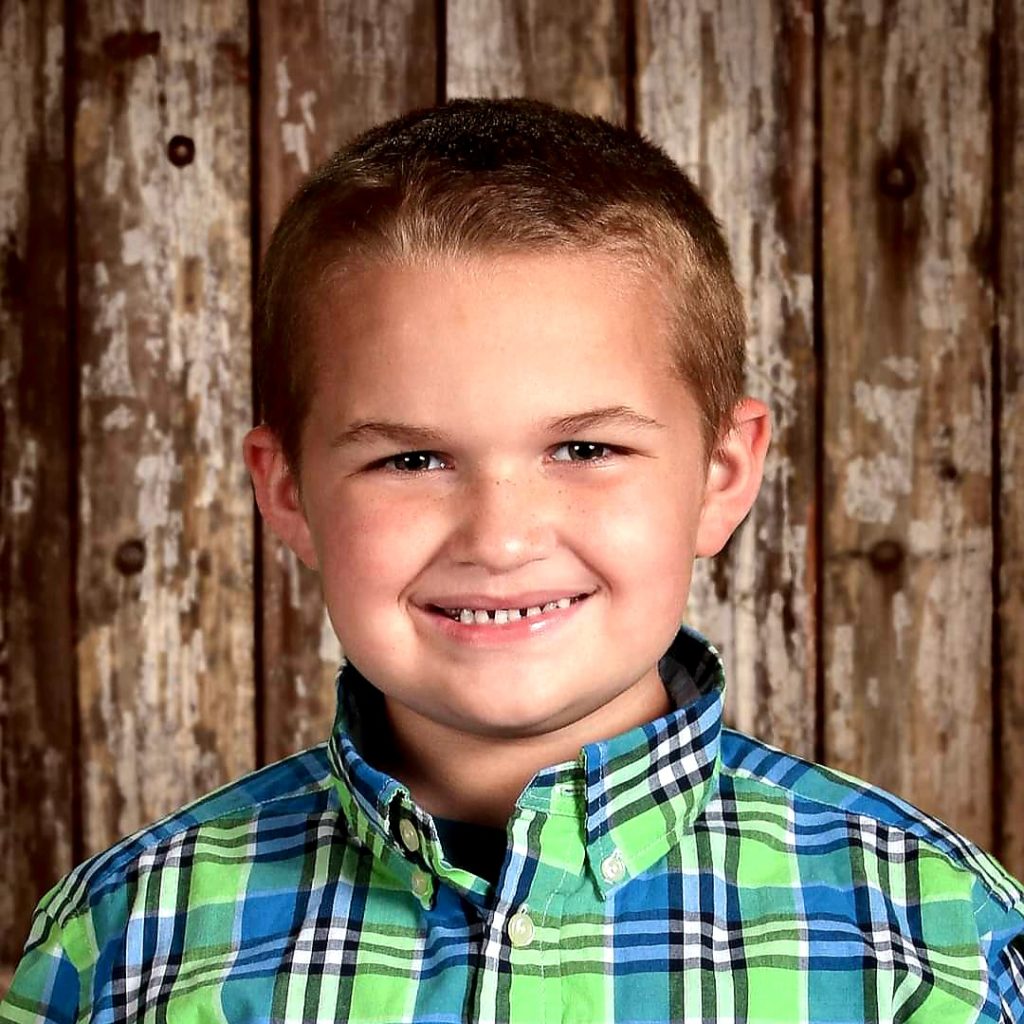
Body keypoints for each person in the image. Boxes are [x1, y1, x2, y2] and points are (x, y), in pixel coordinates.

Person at [2, 96, 1022, 1024]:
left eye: (584, 449)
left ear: (719, 473)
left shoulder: (928, 939)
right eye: (410, 457)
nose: (499, 535)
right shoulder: (127, 942)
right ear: (286, 492)